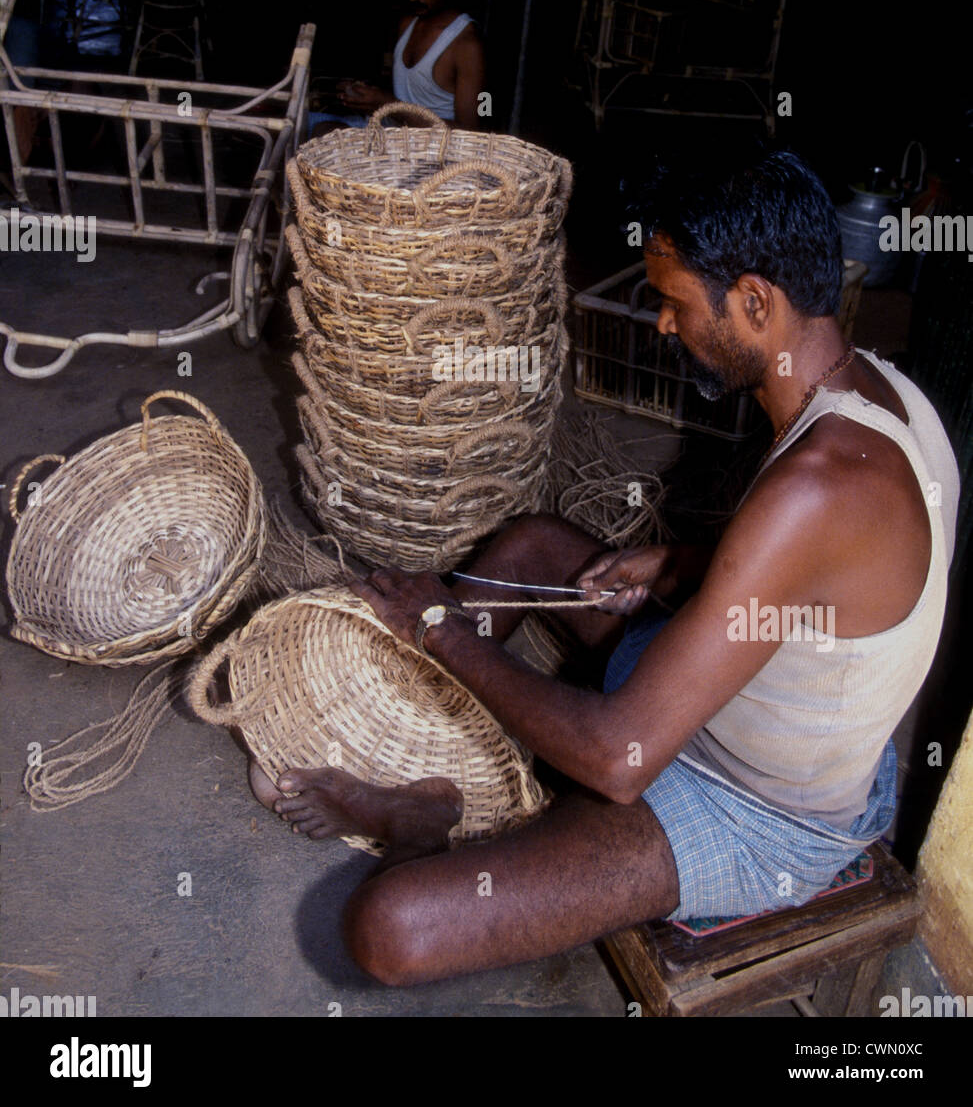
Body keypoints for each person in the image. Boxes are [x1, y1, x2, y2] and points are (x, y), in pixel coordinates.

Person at [248, 149, 959, 986]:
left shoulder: (816, 488)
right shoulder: (880, 391)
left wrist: (442, 627)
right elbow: (831, 581)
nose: (664, 324)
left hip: (756, 809)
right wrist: (682, 561)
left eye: (674, 302)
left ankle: (428, 820)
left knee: (389, 927)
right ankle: (425, 770)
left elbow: (619, 758)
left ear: (755, 301)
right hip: (749, 700)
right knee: (534, 545)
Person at [311, 0, 486, 134]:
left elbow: (469, 132)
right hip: (388, 134)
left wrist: (386, 103)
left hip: (427, 150)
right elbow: (406, 93)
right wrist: (364, 94)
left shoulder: (466, 45)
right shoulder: (408, 23)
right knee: (309, 126)